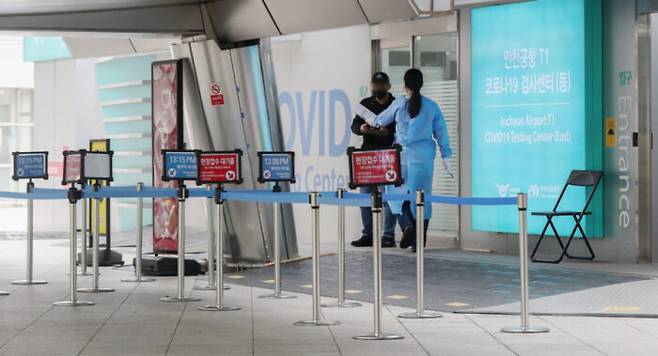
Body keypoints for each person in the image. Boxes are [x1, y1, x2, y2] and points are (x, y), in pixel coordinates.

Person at [365, 68, 452, 252]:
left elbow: (380, 120)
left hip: (402, 158)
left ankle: (407, 226)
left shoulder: (399, 104)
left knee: (396, 195)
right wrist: (446, 156)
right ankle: (419, 242)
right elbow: (441, 133)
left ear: (405, 85)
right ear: (421, 84)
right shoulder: (432, 106)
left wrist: (367, 121)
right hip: (423, 159)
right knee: (422, 198)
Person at [350, 72, 398, 248]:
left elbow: (401, 127)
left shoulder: (396, 104)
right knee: (364, 197)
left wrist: (387, 133)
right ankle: (368, 234)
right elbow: (354, 126)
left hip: (387, 156)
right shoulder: (365, 105)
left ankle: (388, 235)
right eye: (375, 85)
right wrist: (362, 128)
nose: (378, 88)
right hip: (367, 156)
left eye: (381, 85)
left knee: (387, 198)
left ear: (388, 86)